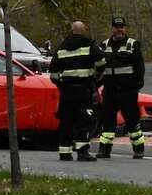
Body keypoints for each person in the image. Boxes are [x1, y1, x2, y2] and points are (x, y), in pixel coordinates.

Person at [48, 21, 106, 162]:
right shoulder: (90, 45)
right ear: (84, 31)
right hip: (83, 89)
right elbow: (102, 62)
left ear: (71, 31)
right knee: (84, 120)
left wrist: (62, 85)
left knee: (66, 120)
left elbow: (53, 74)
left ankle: (64, 152)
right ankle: (82, 152)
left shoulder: (61, 48)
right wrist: (96, 77)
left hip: (67, 91)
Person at [96, 15, 146, 159]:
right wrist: (95, 87)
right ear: (112, 29)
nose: (119, 30)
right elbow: (99, 70)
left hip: (127, 91)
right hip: (110, 91)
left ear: (125, 28)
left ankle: (138, 149)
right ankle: (104, 149)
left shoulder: (132, 45)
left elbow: (139, 70)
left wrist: (134, 88)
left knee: (132, 122)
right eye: (116, 27)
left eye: (121, 27)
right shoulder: (103, 46)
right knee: (107, 122)